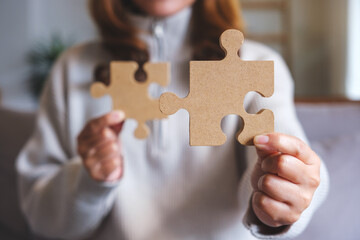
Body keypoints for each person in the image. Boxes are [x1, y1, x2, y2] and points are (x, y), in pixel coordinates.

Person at [16, 0, 329, 239]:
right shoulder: (72, 69)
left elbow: (293, 161)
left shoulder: (258, 64)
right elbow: (42, 217)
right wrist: (88, 180)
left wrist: (284, 192)